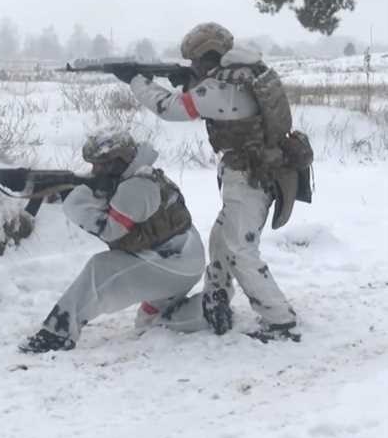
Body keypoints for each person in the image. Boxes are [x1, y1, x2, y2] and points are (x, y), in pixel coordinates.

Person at [111, 22, 301, 342]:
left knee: (240, 249)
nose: (193, 67)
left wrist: (136, 81)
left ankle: (279, 319)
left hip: (249, 178)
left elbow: (170, 108)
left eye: (196, 62)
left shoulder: (223, 87)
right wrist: (191, 81)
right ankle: (217, 299)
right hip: (259, 173)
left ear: (209, 56)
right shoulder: (248, 72)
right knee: (221, 240)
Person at [19, 128, 208, 353]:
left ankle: (57, 333)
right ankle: (209, 309)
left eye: (100, 164)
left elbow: (110, 231)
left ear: (118, 161)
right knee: (150, 323)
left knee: (101, 269)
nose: (94, 170)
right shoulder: (138, 175)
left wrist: (74, 199)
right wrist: (59, 189)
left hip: (172, 265)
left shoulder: (138, 186)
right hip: (183, 257)